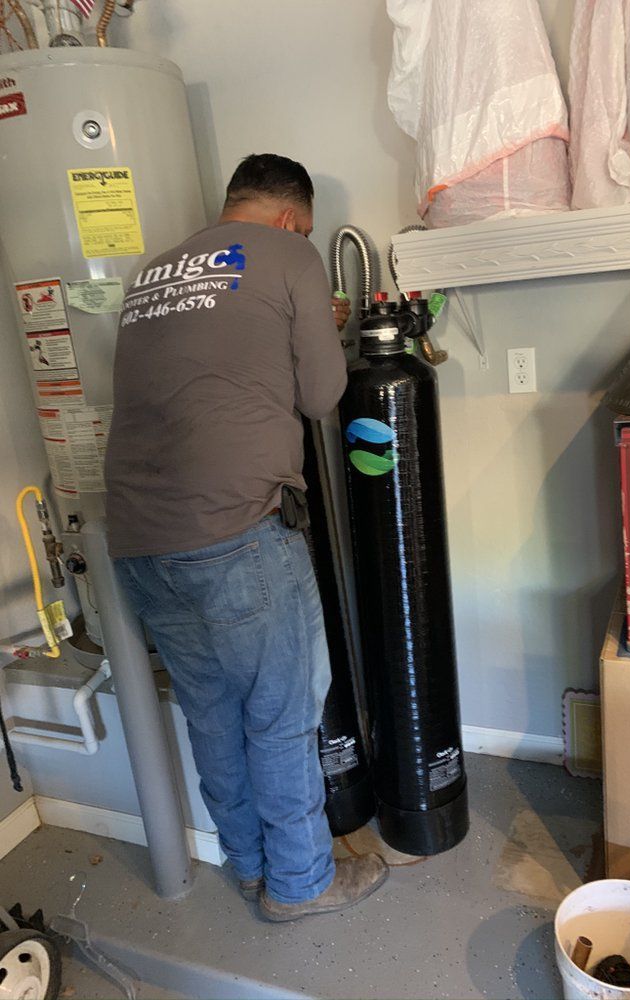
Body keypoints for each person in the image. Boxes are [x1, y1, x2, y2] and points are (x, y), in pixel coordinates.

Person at [104, 153, 388, 921]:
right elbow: (322, 396)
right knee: (282, 717)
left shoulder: (155, 270)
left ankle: (254, 867)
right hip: (236, 534)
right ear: (295, 219)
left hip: (136, 542)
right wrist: (320, 326)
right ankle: (303, 884)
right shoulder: (290, 254)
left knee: (214, 717)